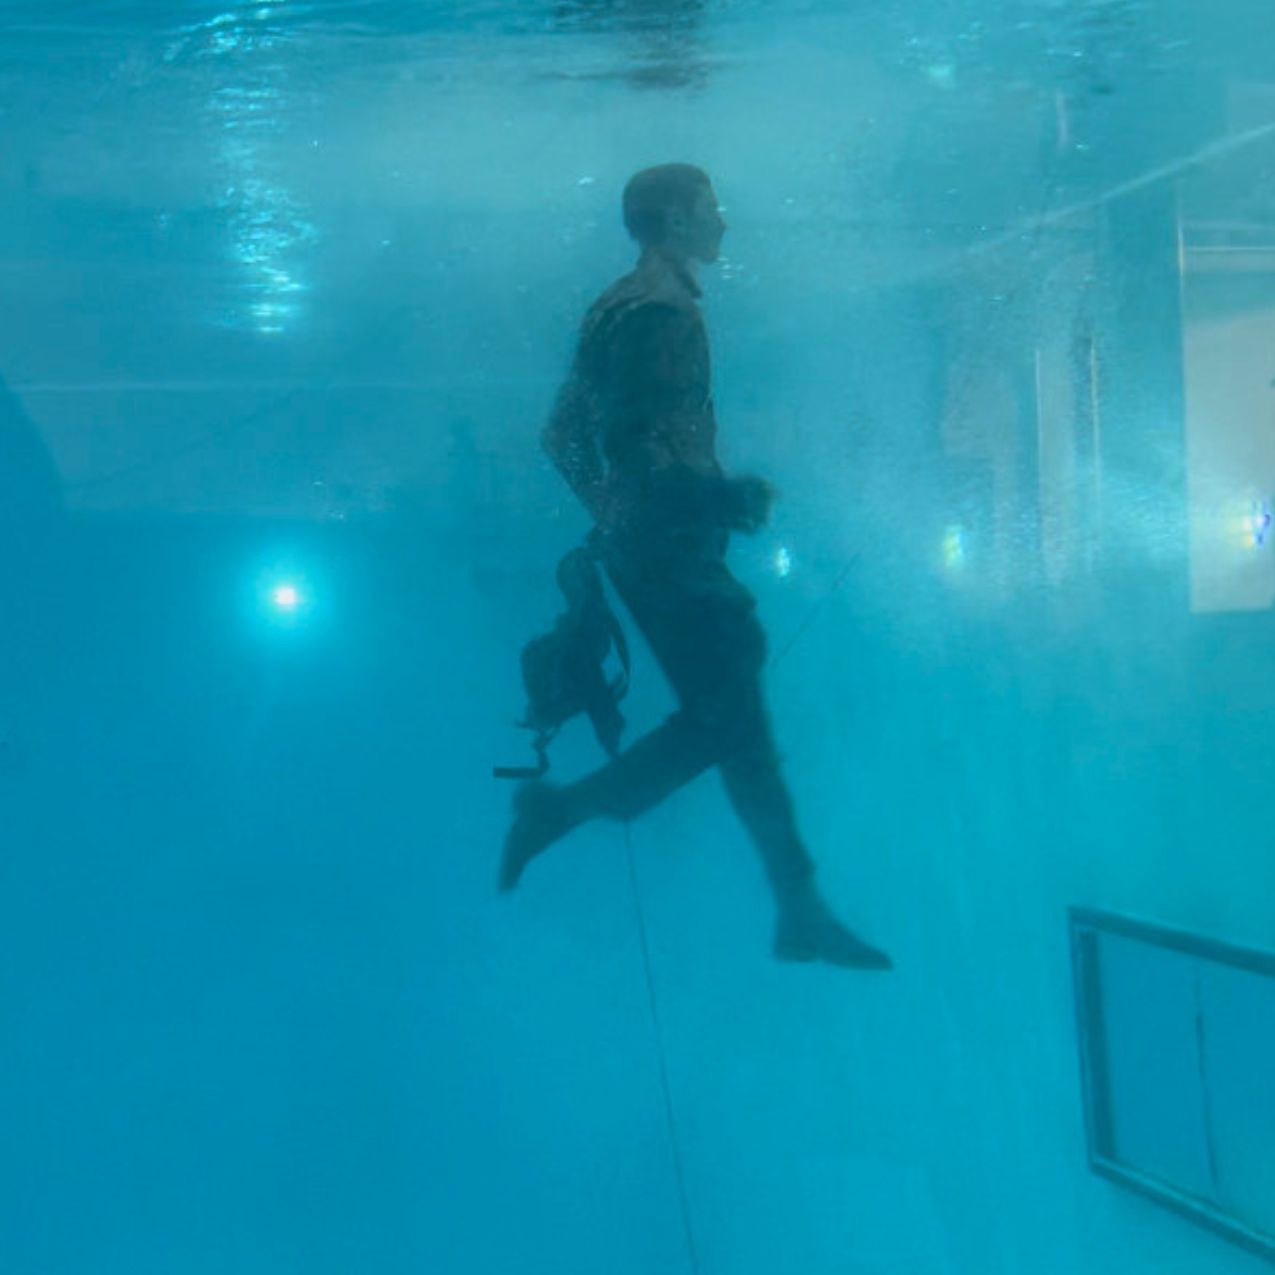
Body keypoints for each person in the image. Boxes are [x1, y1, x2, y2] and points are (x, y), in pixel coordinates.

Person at [500, 164, 891, 971]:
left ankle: (793, 902)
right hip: (675, 557)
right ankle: (793, 904)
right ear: (674, 220)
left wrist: (612, 511)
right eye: (711, 206)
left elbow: (560, 437)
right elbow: (642, 444)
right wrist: (712, 501)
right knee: (736, 725)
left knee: (728, 725)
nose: (722, 220)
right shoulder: (664, 314)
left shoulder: (612, 308)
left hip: (646, 551)